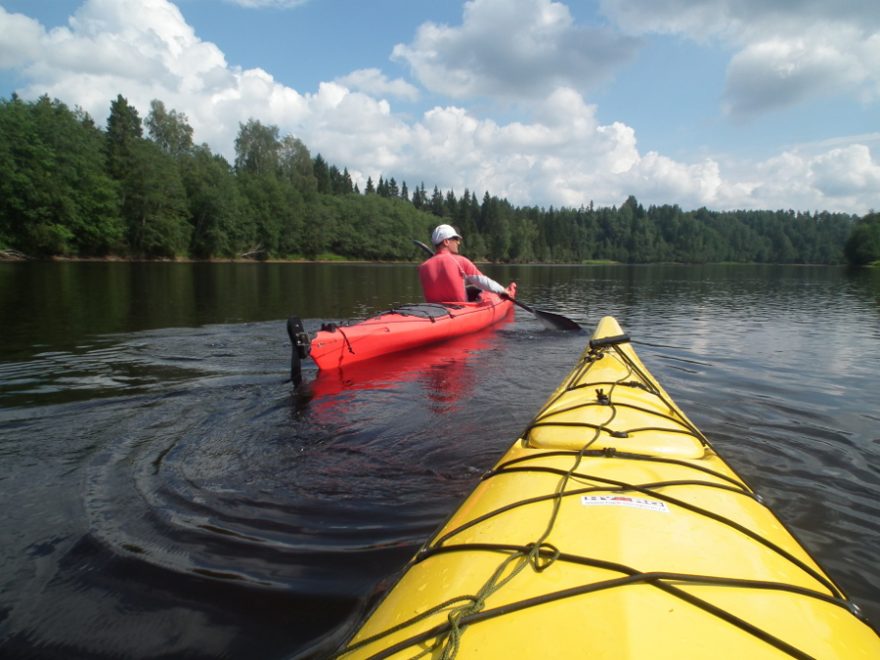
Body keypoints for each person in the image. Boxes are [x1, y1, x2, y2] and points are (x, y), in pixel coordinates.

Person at [419, 224, 516, 303]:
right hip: (458, 310)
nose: (458, 243)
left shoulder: (423, 266)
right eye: (456, 239)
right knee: (480, 290)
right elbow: (483, 282)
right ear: (446, 242)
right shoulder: (460, 261)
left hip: (433, 310)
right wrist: (503, 291)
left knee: (472, 288)